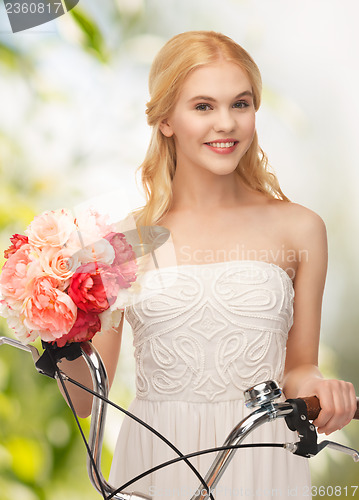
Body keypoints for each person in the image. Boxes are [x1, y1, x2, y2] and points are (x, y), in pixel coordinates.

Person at [59, 31, 357, 499]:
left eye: (240, 104)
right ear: (166, 121)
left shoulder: (299, 228)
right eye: (203, 107)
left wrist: (324, 387)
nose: (226, 123)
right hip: (156, 462)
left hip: (263, 459)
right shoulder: (123, 242)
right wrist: (61, 321)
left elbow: (299, 368)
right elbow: (83, 399)